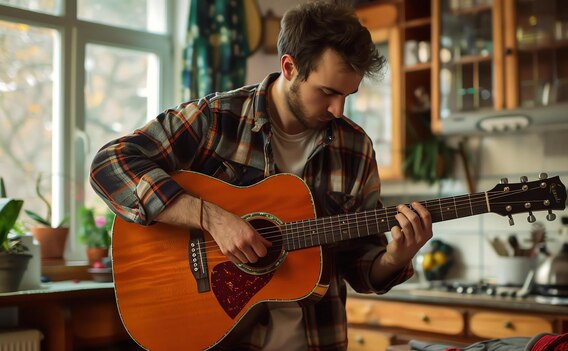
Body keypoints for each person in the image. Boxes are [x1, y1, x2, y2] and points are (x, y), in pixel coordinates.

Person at [90, 1, 433, 350]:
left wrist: (394, 258)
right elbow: (110, 164)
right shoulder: (216, 119)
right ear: (289, 67)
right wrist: (211, 218)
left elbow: (359, 263)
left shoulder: (356, 148)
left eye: (348, 95)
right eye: (327, 92)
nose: (337, 109)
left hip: (317, 341)